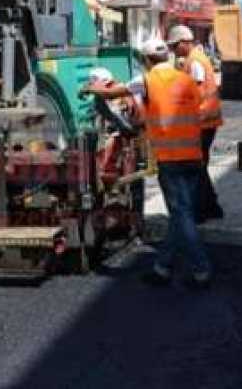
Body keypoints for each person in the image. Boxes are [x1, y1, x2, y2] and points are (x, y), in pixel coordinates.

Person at [82, 38, 212, 289]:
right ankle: (162, 268)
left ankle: (201, 268)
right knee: (180, 215)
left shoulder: (147, 80)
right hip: (194, 157)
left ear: (146, 60)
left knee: (182, 215)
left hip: (171, 160)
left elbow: (112, 93)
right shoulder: (185, 79)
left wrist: (90, 90)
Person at [168, 24, 224, 223]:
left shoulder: (195, 62)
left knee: (197, 166)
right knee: (200, 166)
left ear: (185, 42)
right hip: (204, 120)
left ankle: (202, 210)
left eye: (175, 46)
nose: (174, 51)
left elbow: (194, 90)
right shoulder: (193, 60)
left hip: (203, 121)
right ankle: (211, 207)